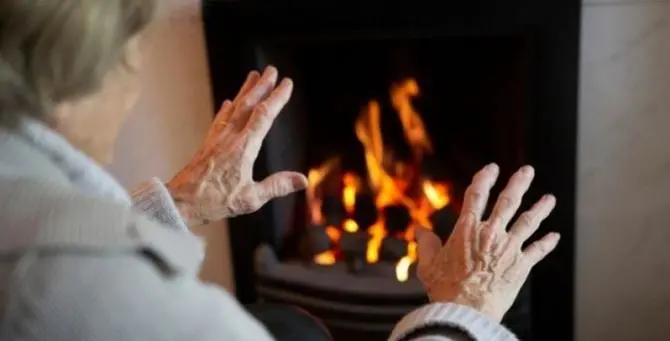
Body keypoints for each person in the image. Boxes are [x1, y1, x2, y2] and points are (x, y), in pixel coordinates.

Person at [0, 1, 561, 340]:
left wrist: (179, 203)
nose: (134, 84)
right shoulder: (88, 292)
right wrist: (463, 309)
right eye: (127, 57)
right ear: (63, 96)